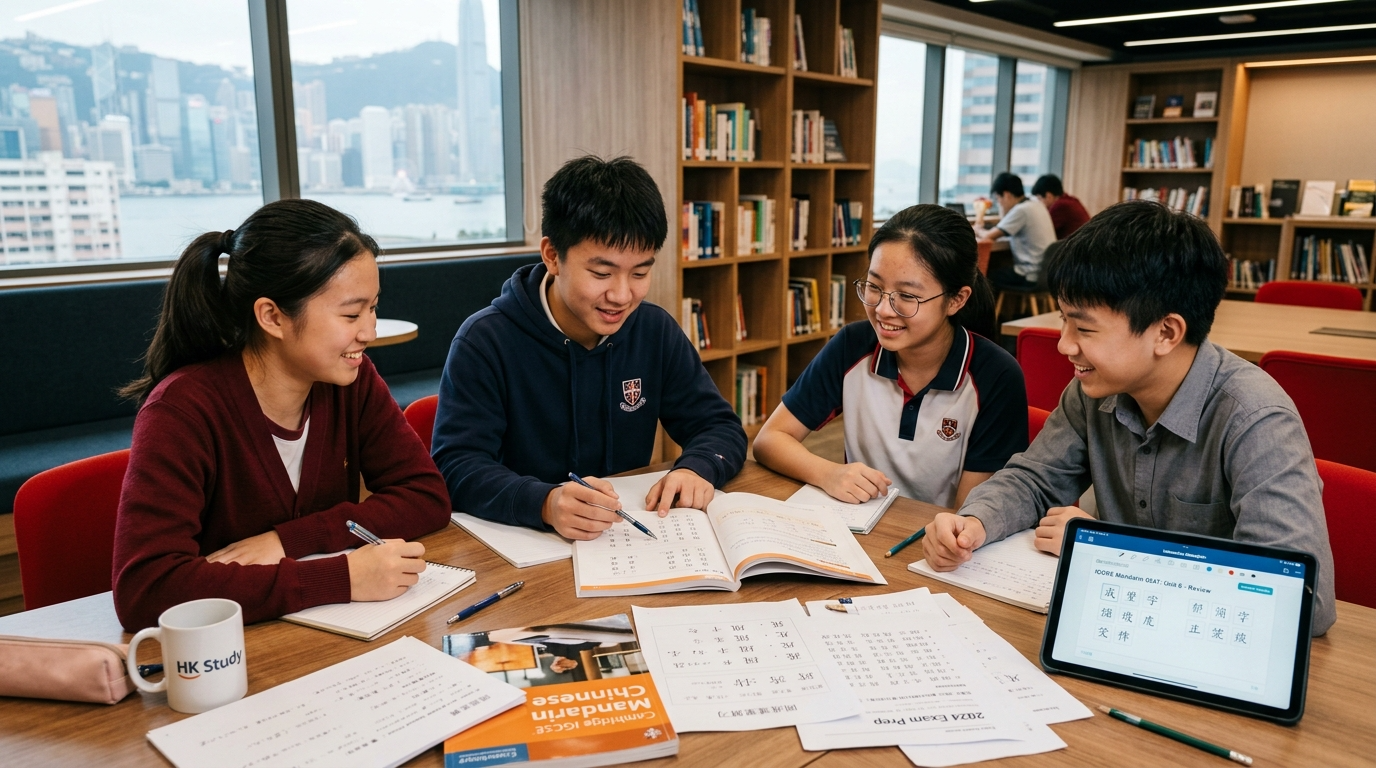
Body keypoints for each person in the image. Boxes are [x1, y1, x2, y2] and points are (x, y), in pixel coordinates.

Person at [921, 200, 1337, 636]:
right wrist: (973, 524)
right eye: (1064, 321)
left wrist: (1109, 548)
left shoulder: (1254, 418)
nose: (1064, 345)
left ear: (1165, 333)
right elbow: (1035, 479)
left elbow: (1307, 601)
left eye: (1084, 328)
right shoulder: (1093, 391)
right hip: (1120, 629)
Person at [112, 199, 451, 632]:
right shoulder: (182, 410)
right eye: (351, 313)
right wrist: (340, 577)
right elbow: (146, 589)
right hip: (228, 653)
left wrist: (291, 540)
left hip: (322, 636)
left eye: (373, 308)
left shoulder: (351, 379)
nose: (368, 332)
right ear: (272, 316)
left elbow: (426, 495)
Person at [432, 155, 746, 540]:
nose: (621, 295)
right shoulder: (485, 341)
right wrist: (544, 502)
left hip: (625, 539)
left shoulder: (653, 329)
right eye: (601, 273)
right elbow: (456, 466)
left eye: (641, 273)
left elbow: (719, 426)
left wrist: (696, 468)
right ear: (552, 256)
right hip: (525, 548)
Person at [753, 204, 1028, 509]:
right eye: (874, 287)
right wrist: (829, 473)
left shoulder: (997, 377)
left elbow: (971, 515)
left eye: (907, 296)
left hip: (940, 545)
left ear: (956, 299)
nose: (883, 309)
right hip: (860, 531)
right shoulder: (852, 346)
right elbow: (769, 440)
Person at [977, 172, 1057, 292]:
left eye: (998, 199)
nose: (999, 203)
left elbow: (988, 236)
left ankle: (991, 311)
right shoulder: (1036, 204)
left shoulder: (1021, 210)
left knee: (984, 276)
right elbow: (1004, 223)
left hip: (1030, 275)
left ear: (1006, 194)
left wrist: (977, 228)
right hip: (1045, 273)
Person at [1031, 174, 1090, 240]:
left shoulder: (1060, 206)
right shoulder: (1071, 200)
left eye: (1039, 198)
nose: (1039, 202)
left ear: (1048, 196)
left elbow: (1043, 231)